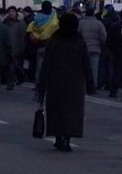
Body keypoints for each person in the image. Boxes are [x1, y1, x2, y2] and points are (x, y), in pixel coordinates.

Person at [38, 13, 94, 152]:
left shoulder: (54, 41)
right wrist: (91, 84)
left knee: (57, 111)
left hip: (56, 81)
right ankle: (67, 139)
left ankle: (58, 137)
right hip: (75, 82)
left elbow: (46, 64)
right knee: (72, 112)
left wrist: (41, 85)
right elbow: (86, 64)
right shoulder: (79, 42)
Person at [78, 6, 107, 88]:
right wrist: (102, 44)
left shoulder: (81, 23)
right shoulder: (99, 23)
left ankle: (82, 85)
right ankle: (92, 86)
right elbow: (103, 37)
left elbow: (77, 35)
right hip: (95, 48)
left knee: (82, 68)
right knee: (94, 68)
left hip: (82, 49)